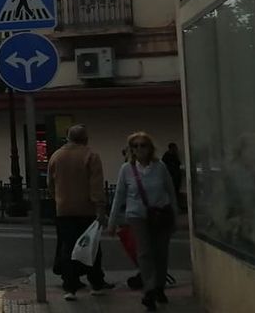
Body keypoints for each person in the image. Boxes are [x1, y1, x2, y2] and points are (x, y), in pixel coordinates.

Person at [108, 131, 181, 311]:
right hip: (137, 216)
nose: (139, 149)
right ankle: (149, 290)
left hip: (161, 214)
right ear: (131, 149)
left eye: (143, 145)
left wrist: (176, 216)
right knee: (144, 252)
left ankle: (159, 286)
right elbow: (119, 196)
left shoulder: (160, 167)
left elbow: (171, 191)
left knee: (160, 252)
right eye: (135, 146)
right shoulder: (126, 169)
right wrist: (112, 220)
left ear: (150, 148)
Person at [47, 124, 112, 300]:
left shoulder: (56, 156)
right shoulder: (91, 156)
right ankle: (96, 283)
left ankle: (70, 286)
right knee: (92, 247)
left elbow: (50, 185)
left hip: (64, 209)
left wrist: (59, 199)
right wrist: (100, 208)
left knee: (67, 248)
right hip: (87, 210)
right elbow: (96, 185)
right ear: (85, 138)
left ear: (68, 138)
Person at [162, 143, 185, 209]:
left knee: (176, 192)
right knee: (172, 193)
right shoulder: (166, 156)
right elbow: (165, 167)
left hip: (176, 177)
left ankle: (176, 206)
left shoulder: (174, 155)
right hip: (171, 177)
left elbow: (178, 164)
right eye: (175, 148)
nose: (176, 149)